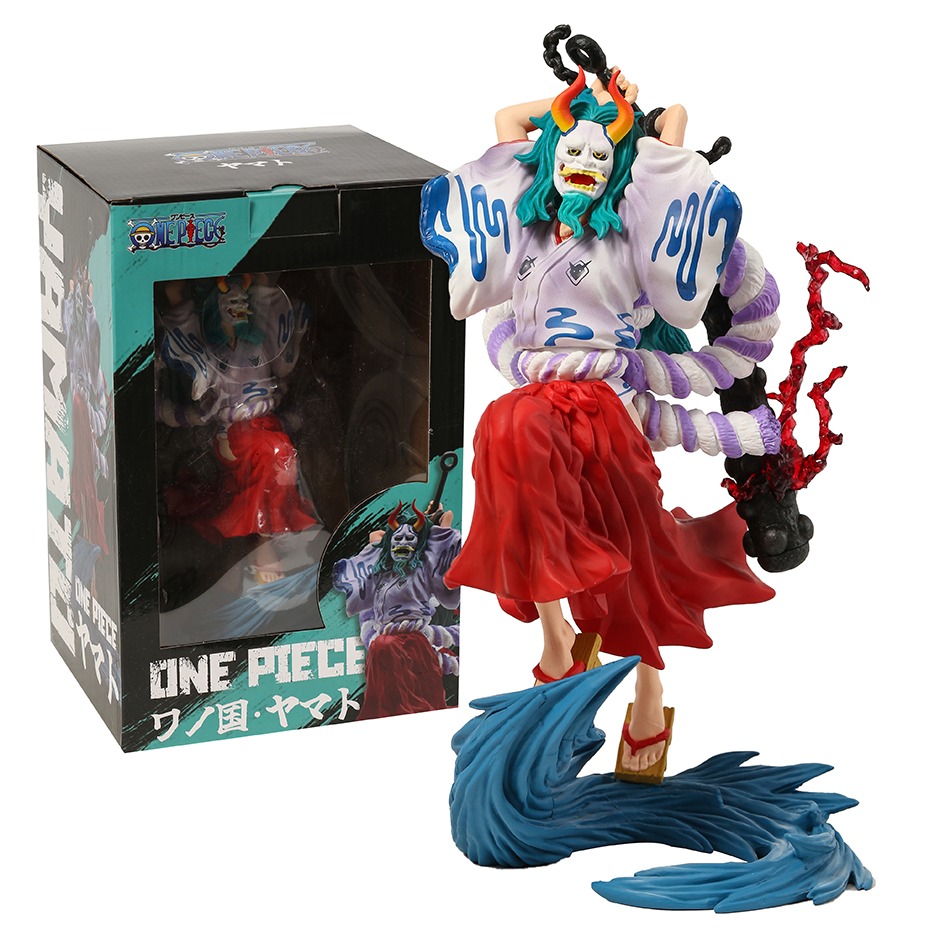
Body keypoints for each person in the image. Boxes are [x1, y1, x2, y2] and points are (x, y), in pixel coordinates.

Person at [420, 67, 780, 776]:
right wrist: (577, 101)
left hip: (603, 406)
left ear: (618, 169)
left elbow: (672, 125)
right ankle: (556, 636)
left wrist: (624, 117)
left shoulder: (629, 237)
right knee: (507, 433)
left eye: (598, 156)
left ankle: (646, 692)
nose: (583, 164)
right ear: (550, 159)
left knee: (629, 547)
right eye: (570, 153)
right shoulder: (526, 230)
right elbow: (508, 121)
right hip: (540, 402)